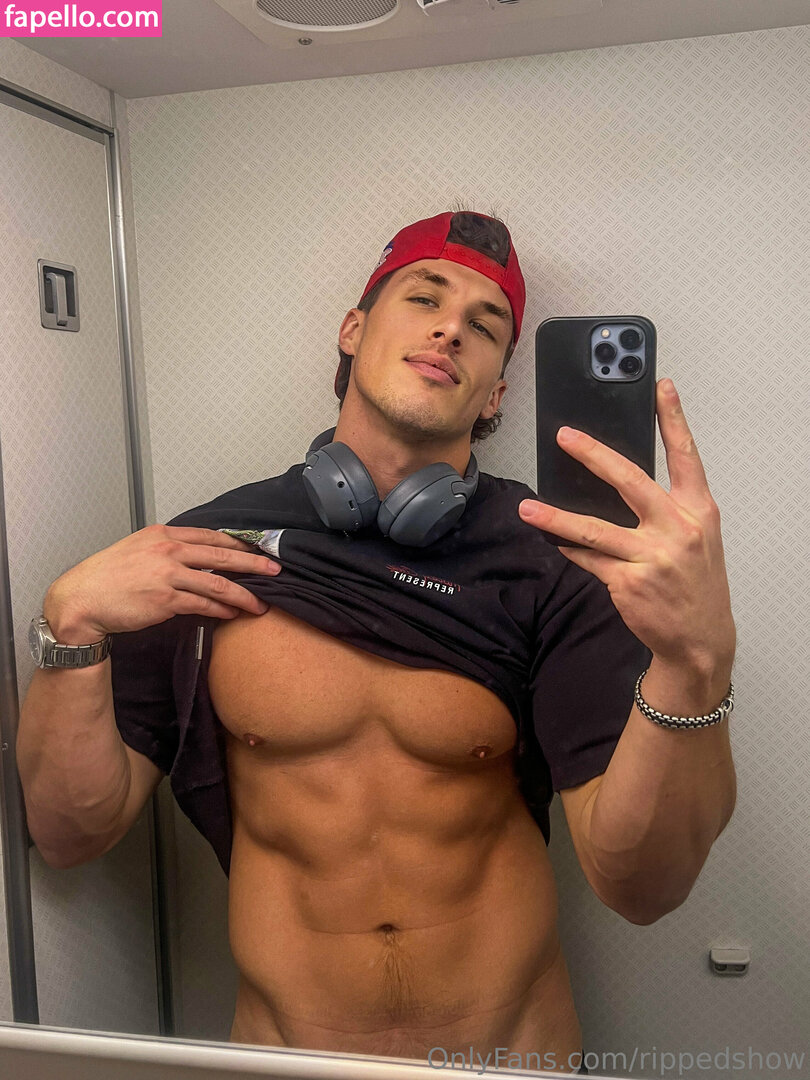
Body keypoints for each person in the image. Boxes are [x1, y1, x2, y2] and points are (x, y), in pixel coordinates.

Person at [17, 211, 737, 1072]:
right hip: (285, 1064)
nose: (450, 329)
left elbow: (642, 887)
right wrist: (70, 625)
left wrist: (695, 663)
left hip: (509, 1060)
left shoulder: (552, 558)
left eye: (485, 326)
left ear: (497, 393)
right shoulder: (206, 550)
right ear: (354, 330)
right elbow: (69, 833)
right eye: (424, 298)